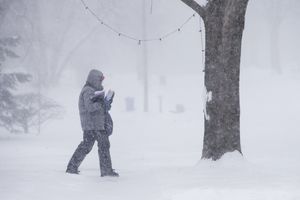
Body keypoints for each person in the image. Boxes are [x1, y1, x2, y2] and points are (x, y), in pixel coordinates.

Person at [66, 69, 119, 177]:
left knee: (95, 145)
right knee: (92, 146)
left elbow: (99, 107)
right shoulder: (88, 91)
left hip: (96, 124)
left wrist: (106, 103)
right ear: (94, 79)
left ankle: (73, 167)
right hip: (92, 125)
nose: (101, 82)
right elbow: (90, 107)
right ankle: (105, 171)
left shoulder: (93, 90)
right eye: (100, 80)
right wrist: (102, 103)